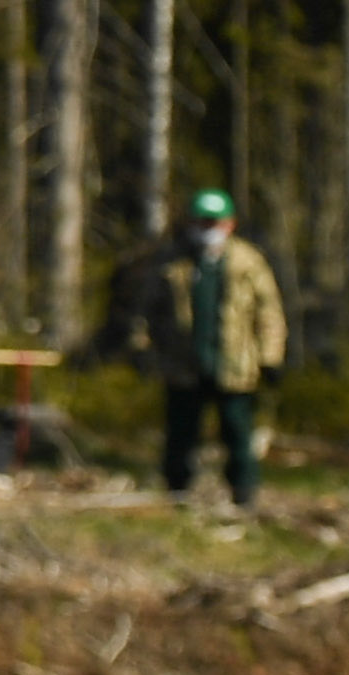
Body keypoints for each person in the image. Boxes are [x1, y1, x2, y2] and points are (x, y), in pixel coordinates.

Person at [118, 187, 288, 508]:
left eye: (215, 222)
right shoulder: (171, 263)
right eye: (202, 222)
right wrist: (140, 349)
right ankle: (178, 493)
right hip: (183, 366)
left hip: (235, 365)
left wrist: (271, 357)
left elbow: (269, 313)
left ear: (230, 223)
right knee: (181, 435)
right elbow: (145, 311)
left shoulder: (248, 262)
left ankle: (244, 494)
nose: (208, 230)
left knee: (238, 434)